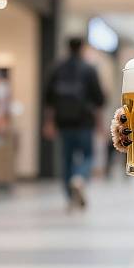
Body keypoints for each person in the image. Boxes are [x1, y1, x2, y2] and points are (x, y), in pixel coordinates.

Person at [43, 38, 105, 208]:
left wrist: (49, 122)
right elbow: (99, 99)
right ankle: (80, 178)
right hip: (84, 121)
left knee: (66, 159)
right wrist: (100, 124)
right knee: (88, 155)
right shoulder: (89, 69)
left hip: (63, 122)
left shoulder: (56, 68)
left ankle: (70, 197)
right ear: (82, 48)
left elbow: (48, 99)